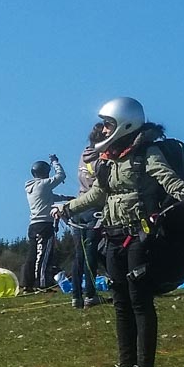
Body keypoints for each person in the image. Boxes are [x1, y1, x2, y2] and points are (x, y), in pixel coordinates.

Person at [54, 97, 184, 367]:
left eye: (107, 124)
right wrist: (67, 208)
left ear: (125, 124)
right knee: (120, 303)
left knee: (140, 301)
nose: (103, 129)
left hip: (139, 236)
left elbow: (168, 180)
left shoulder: (146, 153)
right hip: (112, 236)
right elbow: (97, 195)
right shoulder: (109, 159)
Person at [70, 124, 105, 308]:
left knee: (79, 255)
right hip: (93, 208)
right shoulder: (101, 160)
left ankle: (76, 296)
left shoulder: (83, 156)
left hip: (78, 206)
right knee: (90, 253)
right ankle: (90, 294)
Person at [23, 154, 69, 290]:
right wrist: (55, 162)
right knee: (43, 256)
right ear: (45, 172)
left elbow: (50, 197)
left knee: (32, 256)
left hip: (33, 225)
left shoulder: (32, 187)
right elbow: (61, 176)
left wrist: (66, 198)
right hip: (44, 225)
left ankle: (27, 284)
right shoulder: (43, 184)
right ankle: (42, 284)